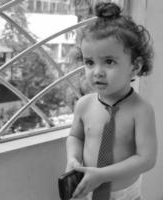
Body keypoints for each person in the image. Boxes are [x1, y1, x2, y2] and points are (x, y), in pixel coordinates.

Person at [66, 2, 157, 200]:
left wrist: (102, 175)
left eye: (109, 61)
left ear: (135, 66)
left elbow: (147, 159)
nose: (97, 72)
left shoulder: (141, 110)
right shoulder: (84, 105)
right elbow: (75, 137)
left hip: (125, 194)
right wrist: (73, 158)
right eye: (89, 62)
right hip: (87, 190)